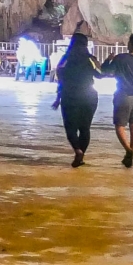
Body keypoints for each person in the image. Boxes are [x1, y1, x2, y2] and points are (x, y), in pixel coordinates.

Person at [101, 32, 133, 168]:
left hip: (123, 96)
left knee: (120, 126)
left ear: (129, 43)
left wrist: (108, 60)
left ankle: (129, 152)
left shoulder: (120, 58)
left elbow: (105, 71)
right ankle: (131, 155)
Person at [52, 33, 100, 167]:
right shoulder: (90, 59)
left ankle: (77, 151)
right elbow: (101, 74)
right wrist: (103, 62)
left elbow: (60, 78)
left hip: (70, 95)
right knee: (85, 128)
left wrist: (58, 98)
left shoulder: (65, 59)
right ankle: (81, 156)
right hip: (89, 96)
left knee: (70, 127)